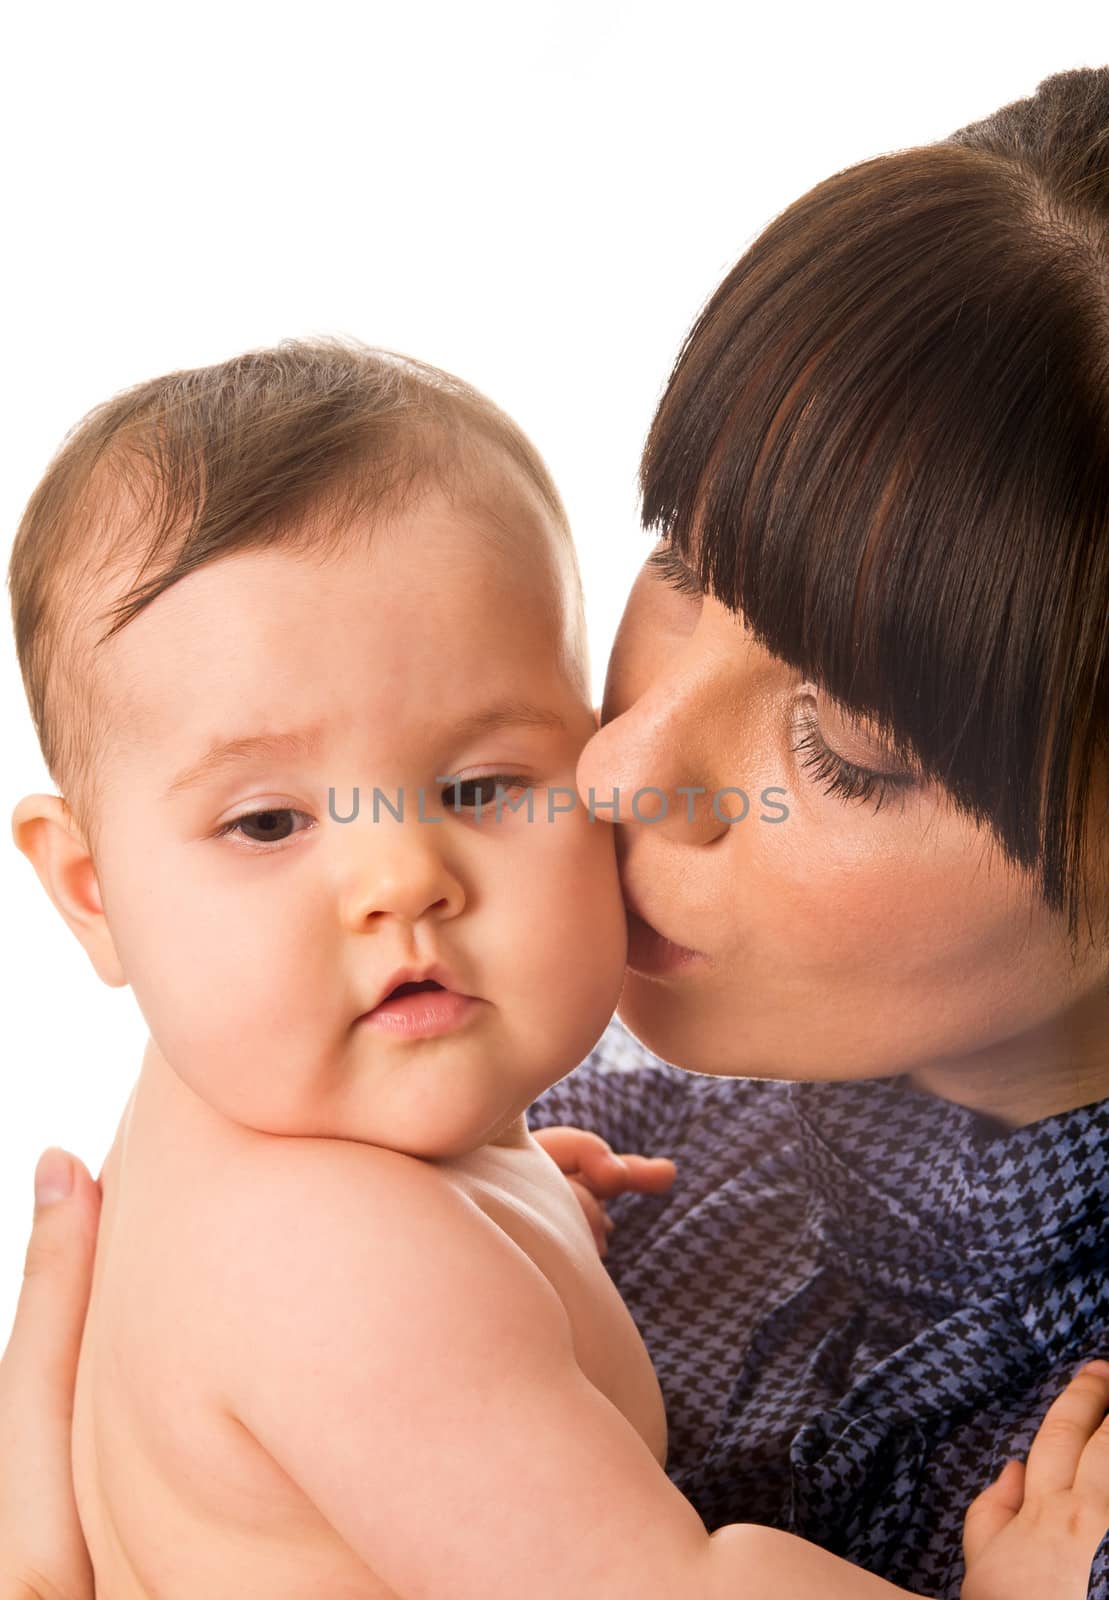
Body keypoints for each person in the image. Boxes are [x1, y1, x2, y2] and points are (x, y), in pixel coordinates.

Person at [3, 59, 1109, 1600]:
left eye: (848, 743)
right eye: (684, 559)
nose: (616, 766)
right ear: (87, 889)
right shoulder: (391, 1210)